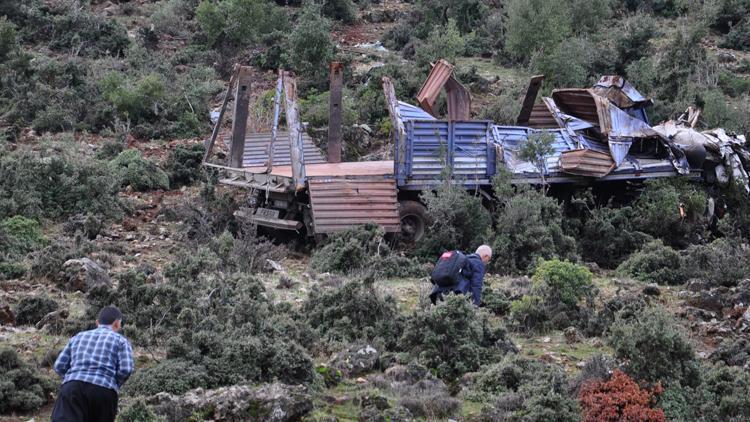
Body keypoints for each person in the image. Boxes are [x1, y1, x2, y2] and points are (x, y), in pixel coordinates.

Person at [52, 306, 134, 422]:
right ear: (117, 324)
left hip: (72, 388)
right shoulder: (121, 341)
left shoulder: (78, 336)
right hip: (103, 391)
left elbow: (59, 365)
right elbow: (126, 369)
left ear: (97, 322)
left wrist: (73, 377)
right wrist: (113, 383)